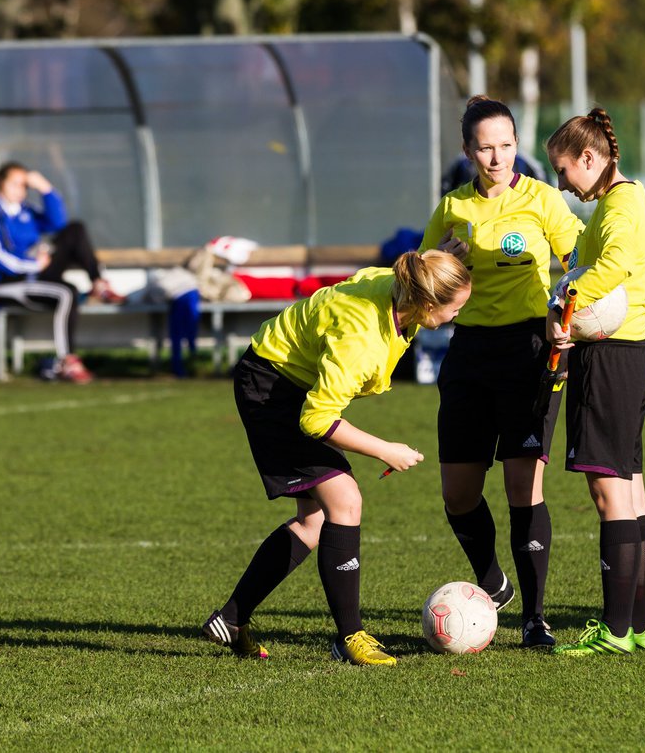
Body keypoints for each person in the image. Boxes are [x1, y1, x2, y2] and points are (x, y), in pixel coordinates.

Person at [201, 250, 471, 666]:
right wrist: (386, 450)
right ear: (426, 302)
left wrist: (451, 255)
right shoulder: (361, 336)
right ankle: (350, 637)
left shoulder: (403, 287)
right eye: (454, 308)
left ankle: (232, 619)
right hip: (272, 388)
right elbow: (317, 420)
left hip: (289, 379)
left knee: (314, 520)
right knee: (344, 500)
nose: (457, 315)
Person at [421, 95, 584, 648]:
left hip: (530, 354)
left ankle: (535, 618)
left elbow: (581, 267)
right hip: (468, 355)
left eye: (507, 145)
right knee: (458, 495)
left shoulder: (541, 200)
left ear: (518, 144)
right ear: (468, 150)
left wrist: (569, 317)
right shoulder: (451, 209)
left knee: (523, 486)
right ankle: (492, 580)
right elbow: (423, 289)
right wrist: (443, 260)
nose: (497, 158)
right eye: (486, 148)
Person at [544, 107, 645, 657]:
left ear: (590, 159)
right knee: (631, 487)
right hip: (630, 355)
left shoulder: (620, 207)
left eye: (564, 170)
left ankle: (615, 629)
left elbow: (612, 267)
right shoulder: (625, 199)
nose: (562, 183)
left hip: (612, 359)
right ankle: (636, 626)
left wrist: (563, 306)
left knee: (608, 490)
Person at [0, 161, 125, 384]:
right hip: (8, 281)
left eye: (24, 185)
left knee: (75, 230)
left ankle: (98, 283)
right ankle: (67, 361)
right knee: (67, 292)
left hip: (36, 273)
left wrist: (45, 189)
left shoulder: (25, 210)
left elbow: (57, 223)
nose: (20, 190)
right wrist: (32, 265)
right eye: (14, 184)